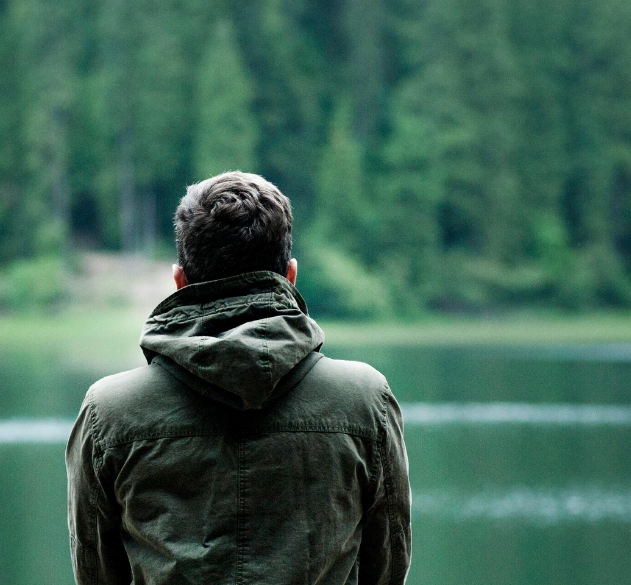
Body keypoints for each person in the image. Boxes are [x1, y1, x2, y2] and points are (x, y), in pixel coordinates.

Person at [66, 171, 411, 585]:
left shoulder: (109, 413)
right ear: (290, 274)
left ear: (179, 281)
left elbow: (97, 574)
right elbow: (387, 568)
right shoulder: (365, 400)